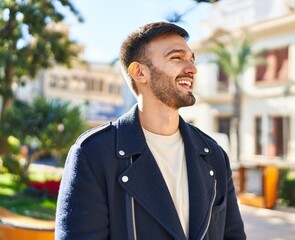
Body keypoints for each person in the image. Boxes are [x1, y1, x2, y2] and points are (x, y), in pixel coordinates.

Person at [55, 21, 246, 240]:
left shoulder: (214, 155)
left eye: (192, 59)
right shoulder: (94, 154)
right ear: (139, 72)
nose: (192, 68)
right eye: (177, 58)